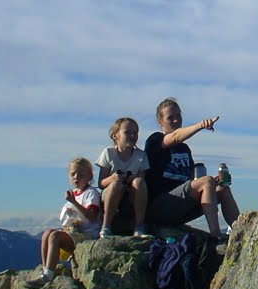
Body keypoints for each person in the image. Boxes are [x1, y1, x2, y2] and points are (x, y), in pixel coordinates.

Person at [144, 98, 240, 237]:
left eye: (178, 116)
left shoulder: (184, 149)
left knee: (222, 188)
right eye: (170, 117)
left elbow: (193, 182)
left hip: (182, 206)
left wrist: (215, 181)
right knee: (206, 181)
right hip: (160, 206)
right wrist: (201, 125)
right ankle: (216, 235)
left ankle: (241, 232)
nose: (176, 120)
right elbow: (176, 136)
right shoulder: (155, 141)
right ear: (160, 122)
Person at [25, 157, 102, 289]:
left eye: (81, 174)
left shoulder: (91, 193)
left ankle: (48, 276)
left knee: (55, 236)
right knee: (47, 233)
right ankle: (45, 270)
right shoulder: (73, 194)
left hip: (87, 235)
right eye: (73, 174)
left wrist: (74, 202)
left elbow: (91, 217)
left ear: (90, 176)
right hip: (74, 233)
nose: (76, 177)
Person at [97, 116, 150, 238]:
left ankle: (139, 226)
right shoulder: (108, 153)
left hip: (131, 195)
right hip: (112, 193)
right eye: (127, 132)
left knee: (138, 182)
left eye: (135, 132)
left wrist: (132, 179)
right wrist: (112, 179)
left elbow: (142, 181)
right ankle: (106, 227)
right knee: (116, 184)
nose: (132, 135)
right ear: (116, 135)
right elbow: (101, 183)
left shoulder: (141, 155)